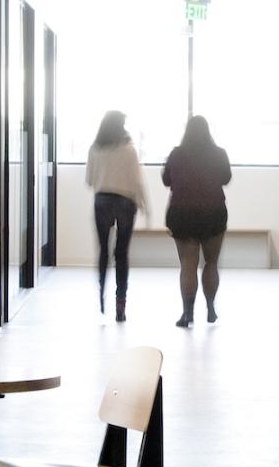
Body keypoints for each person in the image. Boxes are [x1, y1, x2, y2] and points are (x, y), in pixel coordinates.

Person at [163, 115, 232, 328]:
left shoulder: (177, 154)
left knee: (188, 264)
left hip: (182, 214)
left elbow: (166, 180)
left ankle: (188, 313)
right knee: (211, 263)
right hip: (213, 214)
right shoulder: (219, 153)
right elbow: (226, 178)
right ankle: (210, 307)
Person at [86, 110, 148, 322]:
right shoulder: (129, 150)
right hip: (125, 203)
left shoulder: (94, 149)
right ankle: (120, 305)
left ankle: (101, 297)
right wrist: (144, 206)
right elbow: (137, 181)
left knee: (104, 250)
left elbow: (89, 180)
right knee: (121, 253)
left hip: (102, 201)